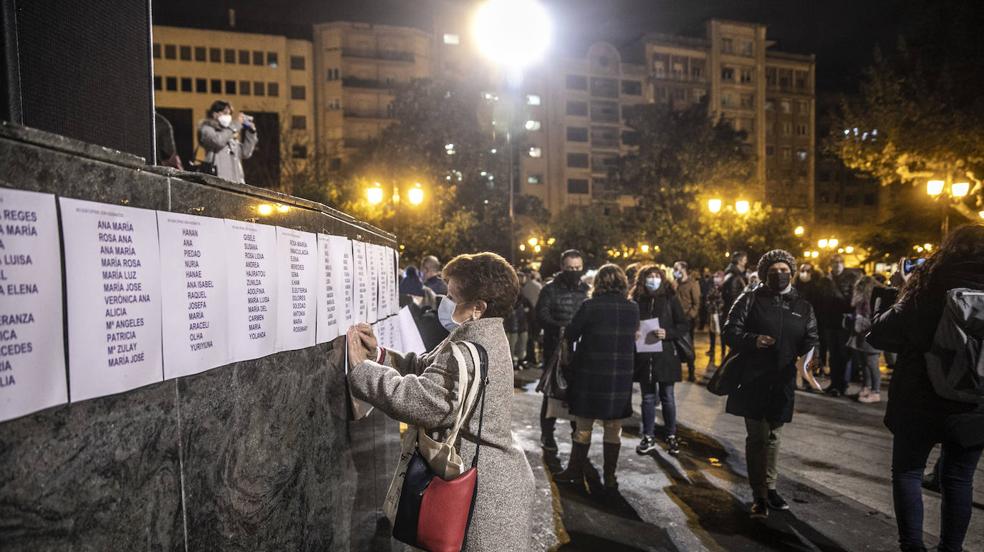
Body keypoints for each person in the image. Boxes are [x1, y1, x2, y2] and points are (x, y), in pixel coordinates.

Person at [345, 252, 535, 550]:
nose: (444, 302)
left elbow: (421, 401)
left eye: (452, 295)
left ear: (478, 308)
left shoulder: (470, 348)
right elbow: (428, 369)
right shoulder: (479, 336)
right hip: (491, 478)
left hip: (483, 494)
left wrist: (362, 370)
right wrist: (379, 356)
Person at [868, 224, 984, 552]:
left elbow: (881, 334)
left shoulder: (930, 282)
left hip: (920, 398)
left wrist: (894, 299)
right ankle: (951, 548)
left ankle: (912, 547)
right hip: (974, 403)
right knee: (960, 479)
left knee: (907, 473)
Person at [723, 249, 819, 519]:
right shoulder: (750, 298)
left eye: (785, 270)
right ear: (765, 273)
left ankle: (771, 486)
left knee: (775, 436)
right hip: (753, 378)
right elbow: (731, 330)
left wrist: (813, 358)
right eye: (774, 270)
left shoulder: (803, 305)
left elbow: (811, 337)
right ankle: (759, 494)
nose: (780, 274)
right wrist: (753, 340)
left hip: (782, 379)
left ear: (792, 272)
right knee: (758, 438)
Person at [553, 264, 639, 489]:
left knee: (583, 428)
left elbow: (571, 334)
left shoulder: (590, 306)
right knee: (613, 429)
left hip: (590, 375)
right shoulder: (632, 308)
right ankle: (610, 477)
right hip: (619, 377)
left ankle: (574, 471)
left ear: (598, 282)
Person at [535, 249, 590, 451]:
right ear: (562, 268)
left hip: (580, 351)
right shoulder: (550, 289)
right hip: (555, 351)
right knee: (552, 393)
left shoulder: (586, 290)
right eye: (570, 268)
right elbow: (541, 314)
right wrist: (559, 328)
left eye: (578, 268)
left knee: (577, 394)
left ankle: (578, 433)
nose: (574, 271)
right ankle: (547, 434)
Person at [632, 265, 689, 456]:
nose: (653, 279)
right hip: (644, 355)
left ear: (663, 279)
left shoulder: (671, 298)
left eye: (657, 276)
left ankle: (671, 435)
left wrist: (668, 333)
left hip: (666, 355)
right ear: (642, 279)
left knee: (667, 397)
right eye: (650, 276)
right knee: (647, 398)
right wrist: (634, 332)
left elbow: (683, 325)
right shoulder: (636, 300)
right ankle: (648, 436)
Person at [820, 254, 861, 397]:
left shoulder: (850, 278)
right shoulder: (825, 280)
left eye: (839, 262)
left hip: (844, 323)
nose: (837, 265)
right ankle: (833, 383)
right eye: (834, 262)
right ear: (830, 264)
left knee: (843, 355)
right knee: (833, 355)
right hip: (829, 322)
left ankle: (842, 385)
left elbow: (851, 301)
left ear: (843, 264)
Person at [197, 100, 257, 184]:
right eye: (225, 113)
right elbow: (218, 141)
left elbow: (245, 153)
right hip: (218, 182)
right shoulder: (207, 130)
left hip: (236, 183)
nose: (228, 116)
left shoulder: (229, 133)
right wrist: (236, 125)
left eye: (229, 114)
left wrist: (251, 132)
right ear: (215, 114)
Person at [847, 276, 882, 403]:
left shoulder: (873, 299)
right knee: (864, 363)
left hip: (871, 334)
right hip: (862, 333)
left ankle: (876, 392)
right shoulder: (863, 299)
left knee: (872, 364)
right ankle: (866, 388)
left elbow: (872, 317)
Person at [673, 261, 701, 382]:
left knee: (688, 346)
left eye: (676, 268)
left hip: (687, 319)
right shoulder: (675, 283)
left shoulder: (692, 283)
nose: (675, 271)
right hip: (675, 319)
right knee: (676, 346)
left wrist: (690, 316)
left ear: (683, 269)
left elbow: (696, 303)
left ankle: (691, 371)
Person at [504, 272, 534, 370]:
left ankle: (519, 361)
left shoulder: (522, 297)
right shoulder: (507, 295)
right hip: (512, 325)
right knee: (512, 345)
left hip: (521, 324)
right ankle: (513, 363)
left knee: (521, 344)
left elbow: (529, 308)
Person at [520, 268, 543, 368]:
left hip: (529, 316)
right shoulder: (538, 286)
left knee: (530, 338)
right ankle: (535, 359)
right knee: (535, 338)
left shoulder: (525, 288)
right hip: (537, 315)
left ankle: (531, 358)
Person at [705, 271, 726, 366]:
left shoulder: (724, 288)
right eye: (715, 277)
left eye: (718, 277)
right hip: (712, 313)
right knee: (712, 331)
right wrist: (710, 306)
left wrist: (720, 307)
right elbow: (708, 298)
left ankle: (723, 350)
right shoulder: (712, 288)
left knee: (722, 332)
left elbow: (724, 300)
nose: (716, 279)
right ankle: (712, 349)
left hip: (721, 313)